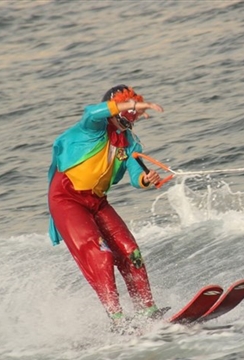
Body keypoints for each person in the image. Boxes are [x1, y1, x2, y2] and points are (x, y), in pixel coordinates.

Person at [47, 84, 164, 325]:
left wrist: (145, 179)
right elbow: (91, 112)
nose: (130, 118)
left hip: (97, 201)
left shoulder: (130, 143)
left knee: (131, 251)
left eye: (133, 114)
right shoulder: (93, 128)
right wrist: (133, 104)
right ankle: (117, 319)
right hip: (67, 199)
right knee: (101, 253)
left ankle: (147, 312)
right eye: (126, 111)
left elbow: (135, 175)